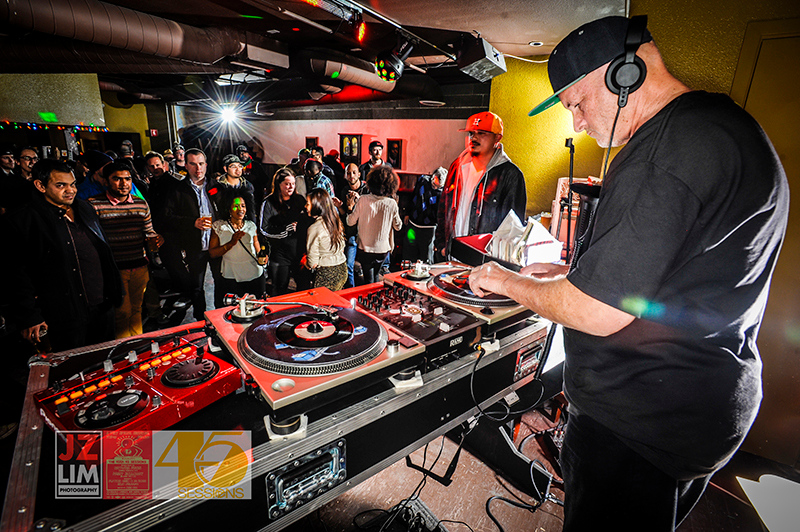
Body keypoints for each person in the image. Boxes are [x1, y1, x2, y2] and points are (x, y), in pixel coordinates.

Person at [467, 16, 789, 531]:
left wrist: (508, 282)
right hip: (697, 408)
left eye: (577, 103)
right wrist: (571, 271)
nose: (577, 123)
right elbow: (674, 272)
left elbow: (597, 311)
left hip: (640, 424)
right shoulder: (723, 127)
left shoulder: (664, 152)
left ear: (624, 74)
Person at [4, 159, 122, 351]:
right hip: (63, 315)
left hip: (101, 306)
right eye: (61, 185)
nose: (71, 190)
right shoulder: (23, 220)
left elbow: (102, 251)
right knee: (72, 365)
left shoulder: (84, 208)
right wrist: (30, 315)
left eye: (73, 184)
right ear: (40, 186)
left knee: (105, 361)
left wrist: (114, 290)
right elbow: (15, 274)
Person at [434, 111, 527, 259]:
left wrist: (495, 261)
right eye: (471, 133)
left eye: (482, 133)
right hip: (452, 258)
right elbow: (443, 209)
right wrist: (441, 247)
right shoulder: (457, 167)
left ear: (497, 138)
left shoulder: (510, 175)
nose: (474, 138)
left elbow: (513, 229)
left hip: (484, 262)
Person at [89, 161, 163, 338]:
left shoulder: (140, 204)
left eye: (127, 179)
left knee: (137, 309)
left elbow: (149, 231)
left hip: (139, 265)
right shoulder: (94, 205)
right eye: (117, 179)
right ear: (106, 181)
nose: (124, 184)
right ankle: (123, 349)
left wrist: (158, 238)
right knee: (122, 312)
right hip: (114, 268)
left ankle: (135, 346)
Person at [161, 148, 218, 321]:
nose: (198, 168)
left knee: (222, 282)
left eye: (200, 164)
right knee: (196, 286)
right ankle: (200, 321)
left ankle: (220, 318)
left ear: (206, 165)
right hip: (194, 245)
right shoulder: (177, 189)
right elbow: (167, 217)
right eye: (193, 164)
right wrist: (192, 222)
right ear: (185, 166)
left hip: (217, 244)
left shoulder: (216, 186)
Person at [346, 165, 402, 284]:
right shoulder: (391, 203)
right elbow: (398, 226)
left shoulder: (363, 199)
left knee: (368, 279)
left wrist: (350, 208)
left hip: (365, 248)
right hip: (383, 250)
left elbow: (350, 222)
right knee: (376, 275)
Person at [259, 167, 308, 296]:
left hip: (299, 252)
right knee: (280, 289)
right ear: (278, 185)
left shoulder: (300, 200)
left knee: (304, 287)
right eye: (287, 184)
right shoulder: (269, 202)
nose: (291, 187)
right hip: (280, 254)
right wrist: (284, 230)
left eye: (293, 183)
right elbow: (263, 229)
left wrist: (300, 227)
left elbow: (308, 221)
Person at [209, 195, 266, 298]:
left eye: (243, 206)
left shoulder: (251, 225)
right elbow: (212, 253)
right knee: (234, 306)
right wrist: (231, 243)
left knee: (257, 305)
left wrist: (262, 257)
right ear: (229, 209)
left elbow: (256, 245)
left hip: (255, 274)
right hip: (231, 276)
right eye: (236, 206)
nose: (240, 209)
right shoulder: (219, 226)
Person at [305, 188, 347, 291]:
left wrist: (307, 263)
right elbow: (342, 247)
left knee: (322, 300)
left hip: (327, 273)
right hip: (342, 268)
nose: (305, 206)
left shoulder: (314, 228)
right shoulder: (335, 221)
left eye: (308, 204)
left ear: (317, 205)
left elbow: (313, 263)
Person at [403, 167, 446, 264]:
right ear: (433, 177)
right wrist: (407, 213)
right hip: (413, 223)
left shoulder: (443, 193)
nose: (435, 188)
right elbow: (413, 196)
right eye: (434, 184)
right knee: (409, 255)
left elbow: (441, 216)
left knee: (426, 258)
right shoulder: (423, 180)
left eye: (438, 187)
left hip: (429, 228)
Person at [337, 163, 370, 288]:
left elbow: (371, 211)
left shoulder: (366, 189)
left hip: (366, 233)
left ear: (359, 174)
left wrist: (359, 200)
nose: (351, 175)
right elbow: (345, 215)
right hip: (351, 232)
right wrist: (340, 206)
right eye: (348, 173)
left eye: (354, 172)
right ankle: (350, 291)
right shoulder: (344, 190)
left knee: (368, 267)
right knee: (348, 265)